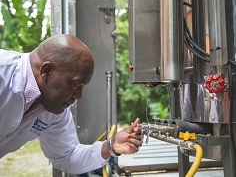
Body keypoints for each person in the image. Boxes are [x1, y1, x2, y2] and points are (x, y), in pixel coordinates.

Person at [0, 34, 142, 174]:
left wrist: (111, 146)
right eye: (76, 84)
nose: (79, 96)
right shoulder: (3, 74)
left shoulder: (53, 108)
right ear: (47, 71)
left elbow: (67, 157)